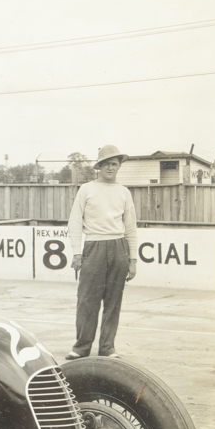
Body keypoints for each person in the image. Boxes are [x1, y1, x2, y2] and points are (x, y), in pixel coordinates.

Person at [64, 145, 138, 360]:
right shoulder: (86, 189)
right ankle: (81, 348)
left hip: (118, 248)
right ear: (99, 167)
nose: (110, 168)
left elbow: (131, 227)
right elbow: (75, 222)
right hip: (94, 247)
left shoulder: (124, 192)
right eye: (106, 164)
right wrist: (77, 252)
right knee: (87, 300)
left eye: (114, 164)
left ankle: (107, 348)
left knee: (113, 301)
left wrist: (132, 259)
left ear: (118, 167)